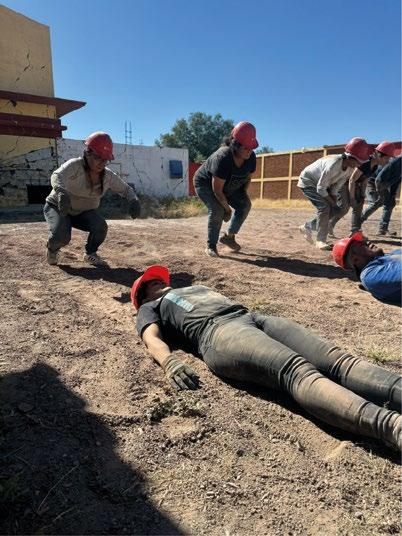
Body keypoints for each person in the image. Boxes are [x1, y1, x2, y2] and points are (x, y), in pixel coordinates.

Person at [131, 265, 402, 451]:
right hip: (218, 333)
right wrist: (169, 362)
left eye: (157, 278)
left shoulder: (193, 288)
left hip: (251, 317)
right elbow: (150, 337)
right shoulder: (150, 307)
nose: (157, 281)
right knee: (296, 371)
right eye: (149, 283)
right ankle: (393, 428)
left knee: (339, 361)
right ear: (143, 295)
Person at [44, 132, 141, 267]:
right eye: (98, 157)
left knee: (100, 226)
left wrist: (134, 200)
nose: (102, 162)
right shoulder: (75, 165)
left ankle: (90, 254)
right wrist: (61, 192)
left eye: (105, 159)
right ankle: (52, 249)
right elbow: (56, 175)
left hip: (83, 213)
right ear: (88, 153)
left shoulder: (108, 176)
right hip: (59, 207)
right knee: (61, 237)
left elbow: (126, 189)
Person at [193, 121, 258, 258]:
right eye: (246, 147)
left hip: (228, 184)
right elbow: (217, 190)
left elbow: (247, 178)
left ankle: (229, 237)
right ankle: (211, 246)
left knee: (245, 205)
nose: (249, 151)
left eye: (251, 148)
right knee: (218, 210)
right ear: (235, 144)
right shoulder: (222, 157)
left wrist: (242, 195)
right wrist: (227, 209)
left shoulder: (251, 158)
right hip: (206, 184)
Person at [298, 137, 370, 250]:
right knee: (324, 207)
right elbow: (321, 188)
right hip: (308, 181)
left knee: (336, 209)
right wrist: (332, 203)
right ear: (349, 157)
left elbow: (336, 188)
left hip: (322, 184)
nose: (359, 165)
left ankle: (307, 226)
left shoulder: (350, 169)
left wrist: (334, 203)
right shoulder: (333, 164)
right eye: (358, 161)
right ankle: (320, 240)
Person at [332, 232, 401, 305]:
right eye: (360, 244)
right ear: (356, 260)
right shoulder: (370, 275)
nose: (367, 242)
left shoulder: (390, 255)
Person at [348, 141, 395, 235]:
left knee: (357, 206)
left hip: (360, 185)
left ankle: (355, 231)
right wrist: (352, 198)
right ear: (379, 155)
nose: (387, 161)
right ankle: (354, 230)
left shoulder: (375, 165)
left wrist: (362, 194)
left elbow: (365, 179)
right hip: (347, 184)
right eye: (387, 158)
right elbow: (352, 180)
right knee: (345, 208)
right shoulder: (366, 162)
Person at [360, 154, 401, 236]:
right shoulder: (395, 162)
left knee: (389, 204)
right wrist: (380, 194)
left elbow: (396, 181)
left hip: (383, 184)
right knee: (376, 203)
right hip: (373, 182)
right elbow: (378, 180)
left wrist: (392, 195)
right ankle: (357, 223)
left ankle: (383, 229)